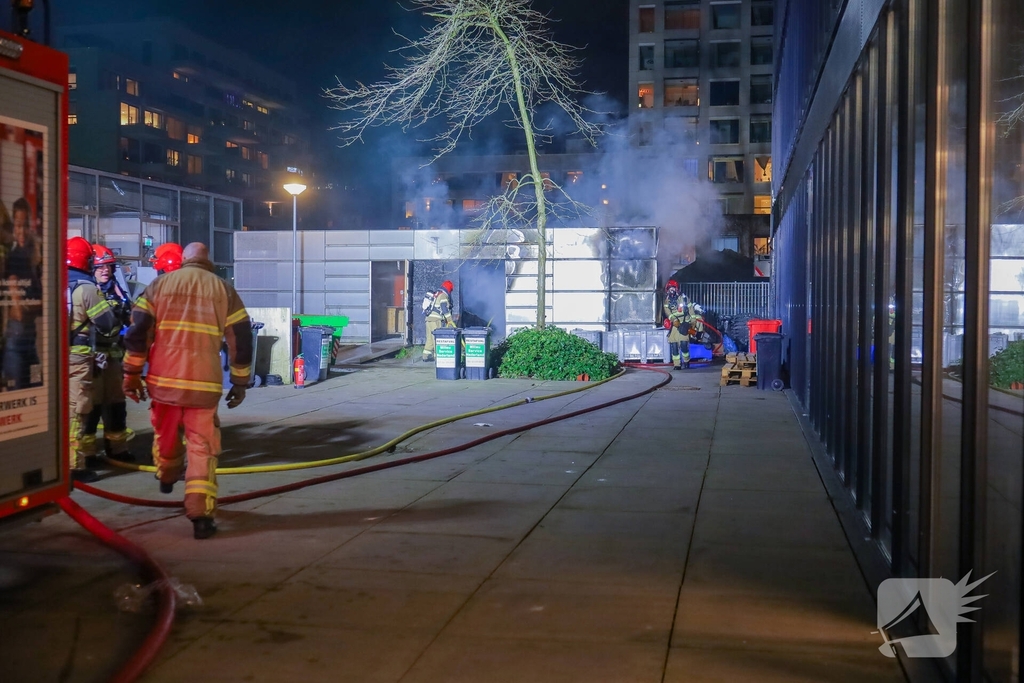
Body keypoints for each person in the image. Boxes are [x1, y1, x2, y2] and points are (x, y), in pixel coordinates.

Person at [123, 242, 252, 540]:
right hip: (204, 386)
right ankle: (200, 514)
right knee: (202, 447)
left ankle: (167, 476)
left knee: (165, 434)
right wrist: (240, 382)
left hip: (164, 383)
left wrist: (130, 374)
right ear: (209, 261)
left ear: (183, 260)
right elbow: (242, 339)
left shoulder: (159, 285)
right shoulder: (224, 290)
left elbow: (138, 332)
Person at [66, 237, 121, 482]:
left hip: (57, 358)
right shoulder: (87, 289)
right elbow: (108, 324)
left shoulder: (55, 282)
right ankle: (75, 466)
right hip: (78, 360)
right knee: (78, 411)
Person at [86, 243, 135, 462]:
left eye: (109, 267)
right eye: (100, 267)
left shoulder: (117, 290)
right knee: (90, 408)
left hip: (114, 359)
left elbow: (130, 319)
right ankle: (87, 454)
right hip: (91, 360)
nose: (106, 271)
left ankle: (118, 449)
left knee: (116, 405)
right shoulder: (85, 291)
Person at [3, 199, 43, 390]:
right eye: (18, 226)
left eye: (25, 225)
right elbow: (18, 311)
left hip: (29, 342)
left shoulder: (30, 258)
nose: (21, 232)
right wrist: (37, 304)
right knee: (18, 390)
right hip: (16, 342)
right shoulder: (15, 257)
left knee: (36, 386)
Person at [421, 279, 453, 363]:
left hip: (428, 320)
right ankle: (437, 358)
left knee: (430, 339)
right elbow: (444, 309)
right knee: (436, 339)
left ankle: (425, 356)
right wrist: (449, 320)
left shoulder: (436, 294)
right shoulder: (443, 296)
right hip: (436, 320)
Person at [662, 280, 690, 370]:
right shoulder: (667, 300)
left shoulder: (684, 298)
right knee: (674, 345)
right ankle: (676, 364)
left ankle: (686, 361)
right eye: (670, 288)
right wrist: (673, 319)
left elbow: (690, 310)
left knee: (684, 344)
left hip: (683, 323)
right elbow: (667, 311)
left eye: (673, 288)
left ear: (677, 289)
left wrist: (691, 322)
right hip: (674, 325)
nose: (671, 290)